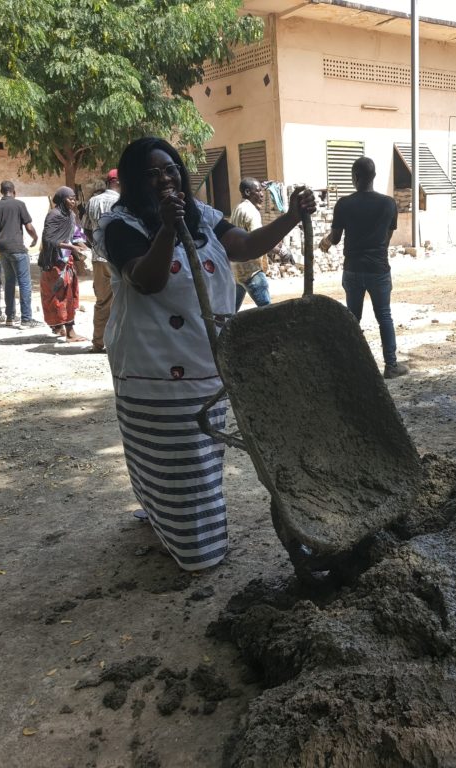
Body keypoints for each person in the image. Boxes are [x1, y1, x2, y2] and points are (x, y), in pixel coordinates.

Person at [96, 137, 316, 571]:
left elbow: (248, 246)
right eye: (153, 173)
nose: (165, 179)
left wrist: (292, 216)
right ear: (136, 182)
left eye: (171, 169)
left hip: (207, 359)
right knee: (173, 461)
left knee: (201, 456)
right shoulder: (120, 226)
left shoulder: (203, 217)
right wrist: (163, 228)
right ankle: (188, 543)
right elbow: (146, 280)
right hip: (153, 365)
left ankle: (183, 530)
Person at [319, 157, 408, 378]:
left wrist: (327, 240)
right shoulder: (389, 204)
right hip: (378, 269)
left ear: (355, 177)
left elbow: (337, 238)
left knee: (353, 319)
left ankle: (352, 368)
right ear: (374, 177)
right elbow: (387, 238)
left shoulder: (344, 204)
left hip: (353, 269)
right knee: (384, 316)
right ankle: (391, 365)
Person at [0, 180, 44, 329]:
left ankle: (10, 317)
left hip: (2, 249)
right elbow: (29, 226)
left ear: (1, 191)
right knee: (24, 283)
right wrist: (35, 238)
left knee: (9, 282)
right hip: (17, 248)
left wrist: (2, 233)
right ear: (14, 191)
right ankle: (26, 319)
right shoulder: (19, 204)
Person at [39, 187, 89, 342]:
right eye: (70, 198)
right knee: (59, 295)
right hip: (54, 262)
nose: (73, 201)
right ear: (61, 199)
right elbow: (49, 240)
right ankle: (69, 332)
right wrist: (71, 247)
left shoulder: (71, 215)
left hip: (67, 261)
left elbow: (75, 235)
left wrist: (84, 247)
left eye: (74, 198)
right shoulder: (53, 215)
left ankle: (60, 326)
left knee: (69, 294)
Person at [84, 169, 121, 352]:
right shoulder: (122, 202)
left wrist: (97, 246)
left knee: (102, 302)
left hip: (99, 259)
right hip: (120, 259)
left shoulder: (93, 201)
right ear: (119, 182)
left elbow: (86, 229)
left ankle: (98, 342)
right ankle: (119, 342)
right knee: (123, 300)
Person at [230, 177, 272, 311]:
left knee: (229, 312)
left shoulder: (238, 208)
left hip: (236, 270)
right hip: (251, 270)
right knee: (268, 312)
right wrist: (281, 251)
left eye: (262, 191)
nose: (262, 195)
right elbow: (259, 239)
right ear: (248, 192)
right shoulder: (251, 212)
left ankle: (221, 331)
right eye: (258, 191)